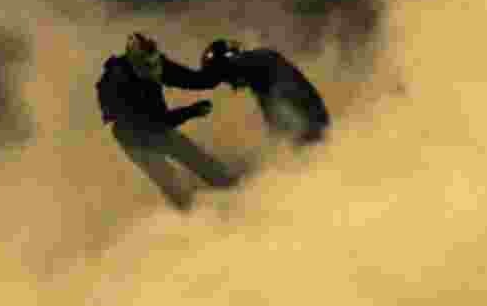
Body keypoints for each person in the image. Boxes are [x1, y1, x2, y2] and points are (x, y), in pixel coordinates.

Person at [96, 33, 235, 211]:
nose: (154, 71)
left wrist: (217, 70)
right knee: (170, 180)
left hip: (155, 126)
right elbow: (157, 122)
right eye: (148, 66)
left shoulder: (154, 64)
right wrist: (192, 111)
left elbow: (192, 79)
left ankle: (227, 187)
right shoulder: (119, 84)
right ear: (135, 63)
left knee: (196, 158)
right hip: (134, 138)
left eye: (155, 64)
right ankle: (191, 215)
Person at [200, 39, 331, 146]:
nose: (230, 84)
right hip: (313, 133)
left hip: (312, 135)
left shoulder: (263, 67)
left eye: (225, 77)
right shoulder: (260, 73)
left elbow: (287, 113)